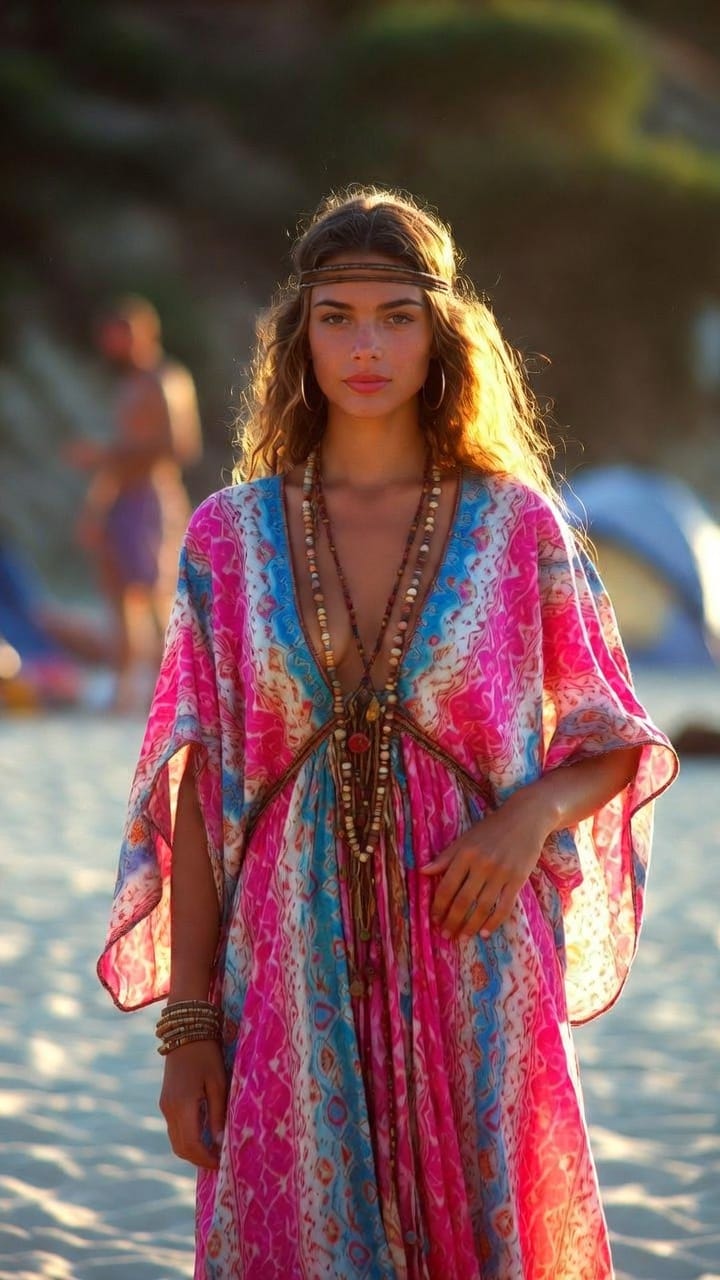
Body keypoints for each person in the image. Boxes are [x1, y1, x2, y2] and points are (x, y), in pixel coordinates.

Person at [98, 188, 677, 1279]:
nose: (367, 345)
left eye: (397, 315)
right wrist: (188, 1029)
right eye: (338, 316)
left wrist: (527, 817)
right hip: (285, 961)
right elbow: (196, 781)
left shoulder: (519, 525)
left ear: (443, 330)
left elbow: (615, 732)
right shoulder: (228, 534)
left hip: (478, 952)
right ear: (299, 334)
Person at [68, 296, 202, 710]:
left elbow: (180, 446)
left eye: (118, 335)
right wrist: (95, 508)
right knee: (119, 594)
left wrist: (107, 455)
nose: (111, 345)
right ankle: (126, 690)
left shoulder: (166, 379)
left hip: (151, 498)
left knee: (156, 593)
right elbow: (121, 456)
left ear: (142, 332)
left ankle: (173, 693)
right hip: (121, 497)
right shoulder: (129, 384)